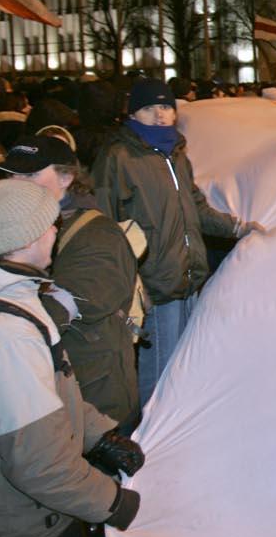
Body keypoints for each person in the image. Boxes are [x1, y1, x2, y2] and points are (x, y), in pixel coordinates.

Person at [0, 179, 143, 537]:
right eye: (49, 224)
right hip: (31, 525)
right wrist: (116, 504)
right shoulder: (7, 337)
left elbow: (52, 388)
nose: (57, 230)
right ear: (25, 240)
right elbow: (40, 466)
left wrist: (98, 435)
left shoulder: (16, 293)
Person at [92, 78, 260, 405]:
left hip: (188, 276)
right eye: (149, 108)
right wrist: (126, 282)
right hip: (153, 282)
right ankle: (149, 444)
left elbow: (195, 207)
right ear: (133, 114)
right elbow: (103, 222)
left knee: (184, 366)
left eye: (166, 107)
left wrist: (237, 227)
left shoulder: (176, 154)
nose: (159, 115)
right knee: (159, 373)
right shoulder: (119, 157)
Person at [0, 136, 141, 426]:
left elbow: (75, 299)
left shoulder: (96, 234)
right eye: (12, 175)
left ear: (66, 177)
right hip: (44, 390)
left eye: (31, 174)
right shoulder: (12, 229)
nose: (18, 183)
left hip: (94, 394)